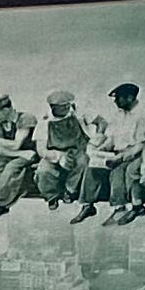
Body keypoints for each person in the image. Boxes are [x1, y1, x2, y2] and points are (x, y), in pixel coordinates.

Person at [90, 80, 145, 222]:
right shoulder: (119, 115)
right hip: (119, 153)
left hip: (139, 153)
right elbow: (112, 137)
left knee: (129, 171)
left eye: (118, 98)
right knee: (115, 172)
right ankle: (119, 208)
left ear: (130, 98)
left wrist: (123, 156)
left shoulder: (143, 115)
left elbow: (144, 143)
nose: (115, 102)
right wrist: (103, 148)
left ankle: (137, 206)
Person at [41, 91, 94, 222]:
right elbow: (41, 150)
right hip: (54, 152)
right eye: (62, 106)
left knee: (83, 161)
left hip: (77, 150)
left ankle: (70, 190)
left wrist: (97, 136)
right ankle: (52, 196)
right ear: (53, 107)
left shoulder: (78, 116)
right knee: (43, 170)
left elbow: (100, 123)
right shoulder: (44, 123)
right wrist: (58, 156)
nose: (66, 108)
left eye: (67, 105)